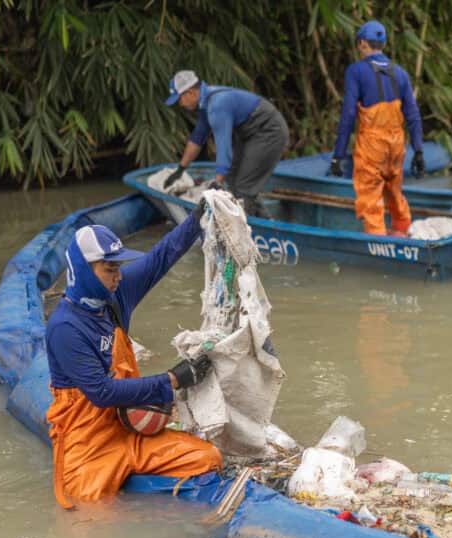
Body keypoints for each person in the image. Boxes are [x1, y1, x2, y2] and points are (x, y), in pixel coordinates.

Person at [45, 201, 222, 508]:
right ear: (85, 272)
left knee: (208, 457)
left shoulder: (116, 297)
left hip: (130, 430)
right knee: (86, 514)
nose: (117, 276)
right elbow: (101, 392)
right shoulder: (65, 327)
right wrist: (173, 380)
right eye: (109, 269)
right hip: (87, 445)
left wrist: (198, 217)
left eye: (118, 268)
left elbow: (160, 258)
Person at [330, 20, 425, 236]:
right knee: (394, 193)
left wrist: (338, 155)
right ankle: (406, 233)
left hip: (372, 146)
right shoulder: (400, 73)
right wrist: (418, 151)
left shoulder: (356, 71)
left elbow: (348, 115)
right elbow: (413, 115)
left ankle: (379, 247)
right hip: (397, 145)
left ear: (363, 43)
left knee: (370, 199)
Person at [163, 70, 288, 219]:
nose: (180, 104)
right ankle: (266, 221)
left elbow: (223, 147)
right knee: (233, 178)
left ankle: (251, 229)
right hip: (248, 132)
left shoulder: (217, 105)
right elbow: (197, 139)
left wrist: (217, 181)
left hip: (268, 129)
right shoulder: (205, 103)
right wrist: (180, 169)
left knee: (244, 185)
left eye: (179, 99)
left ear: (190, 93)